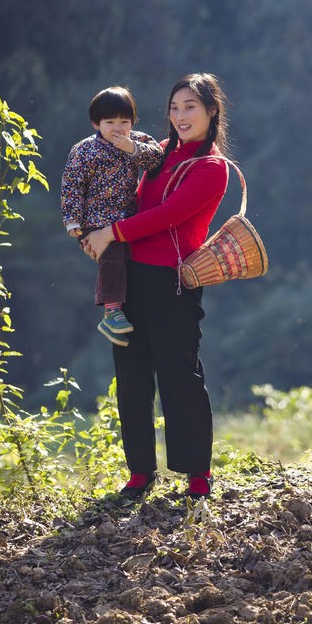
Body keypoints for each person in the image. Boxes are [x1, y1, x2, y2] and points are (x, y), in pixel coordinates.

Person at [84, 72, 230, 503]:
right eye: (174, 107)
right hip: (129, 277)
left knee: (179, 375)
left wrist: (110, 232)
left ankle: (197, 475)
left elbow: (168, 215)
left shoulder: (212, 167)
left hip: (173, 283)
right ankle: (140, 473)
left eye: (191, 107)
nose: (180, 116)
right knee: (131, 377)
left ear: (211, 112)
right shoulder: (157, 152)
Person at [61, 86, 163, 345]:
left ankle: (129, 312)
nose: (118, 128)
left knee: (130, 261)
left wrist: (132, 149)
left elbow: (158, 161)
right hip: (95, 220)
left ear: (133, 122)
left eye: (124, 122)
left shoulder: (137, 142)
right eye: (110, 122)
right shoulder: (85, 151)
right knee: (114, 256)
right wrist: (72, 220)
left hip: (125, 217)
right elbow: (72, 185)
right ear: (96, 123)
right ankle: (111, 312)